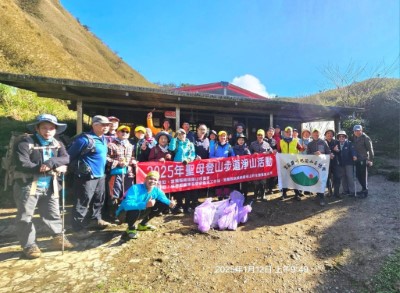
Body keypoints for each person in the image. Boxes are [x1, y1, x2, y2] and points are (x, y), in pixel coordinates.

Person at [13, 114, 73, 259]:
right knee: (25, 216)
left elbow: (66, 158)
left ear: (55, 130)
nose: (48, 131)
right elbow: (23, 164)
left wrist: (53, 162)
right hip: (27, 185)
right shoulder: (25, 143)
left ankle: (58, 238)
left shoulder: (57, 143)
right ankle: (29, 246)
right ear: (37, 128)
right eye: (44, 128)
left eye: (51, 128)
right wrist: (48, 167)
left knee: (52, 213)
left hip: (50, 185)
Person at [68, 115, 113, 238]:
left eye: (107, 125)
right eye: (103, 125)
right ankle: (77, 228)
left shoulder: (103, 139)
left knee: (99, 199)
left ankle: (95, 219)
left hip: (100, 175)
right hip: (86, 176)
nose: (106, 127)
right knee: (82, 201)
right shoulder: (84, 139)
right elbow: (69, 156)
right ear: (94, 125)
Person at [116, 171, 177, 240]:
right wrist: (145, 204)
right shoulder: (135, 188)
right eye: (150, 178)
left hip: (141, 211)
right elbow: (127, 205)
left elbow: (164, 199)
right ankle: (131, 228)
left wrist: (170, 203)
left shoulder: (156, 190)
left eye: (155, 180)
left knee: (163, 203)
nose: (152, 181)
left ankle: (142, 225)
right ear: (145, 179)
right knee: (135, 208)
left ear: (157, 182)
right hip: (124, 214)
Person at [105, 125, 135, 222]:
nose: (124, 133)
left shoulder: (130, 146)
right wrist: (117, 162)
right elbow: (105, 158)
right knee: (114, 194)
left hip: (128, 174)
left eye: (127, 132)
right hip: (115, 173)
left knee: (126, 194)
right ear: (117, 132)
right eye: (122, 131)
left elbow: (132, 158)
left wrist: (133, 162)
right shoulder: (111, 145)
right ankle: (113, 215)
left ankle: (123, 214)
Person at [169, 128, 196, 213]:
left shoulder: (190, 144)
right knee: (178, 187)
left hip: (187, 166)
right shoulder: (176, 143)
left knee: (187, 187)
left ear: (186, 134)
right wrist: (174, 138)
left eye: (183, 134)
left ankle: (187, 206)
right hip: (177, 167)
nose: (181, 136)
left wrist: (188, 159)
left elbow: (193, 154)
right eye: (180, 134)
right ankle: (179, 205)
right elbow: (171, 148)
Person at [307, 129, 331, 206]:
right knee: (315, 179)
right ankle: (318, 194)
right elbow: (307, 155)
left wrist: (331, 155)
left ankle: (321, 197)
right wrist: (314, 153)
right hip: (314, 165)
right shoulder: (310, 144)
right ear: (312, 135)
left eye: (317, 134)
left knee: (322, 180)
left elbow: (328, 152)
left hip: (322, 165)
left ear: (319, 134)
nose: (316, 135)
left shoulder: (323, 142)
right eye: (314, 134)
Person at [279, 126, 304, 201]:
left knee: (295, 178)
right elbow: (278, 151)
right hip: (284, 163)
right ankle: (283, 194)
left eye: (290, 132)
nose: (289, 133)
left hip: (294, 163)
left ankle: (296, 194)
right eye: (287, 132)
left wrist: (304, 147)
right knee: (285, 178)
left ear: (292, 133)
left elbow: (301, 149)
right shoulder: (281, 141)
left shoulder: (296, 141)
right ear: (285, 133)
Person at [210, 130, 235, 200]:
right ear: (218, 137)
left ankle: (226, 194)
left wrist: (229, 159)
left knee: (226, 180)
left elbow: (233, 156)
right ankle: (219, 195)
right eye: (221, 136)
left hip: (227, 166)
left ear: (226, 137)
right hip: (217, 166)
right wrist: (218, 159)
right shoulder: (215, 146)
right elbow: (211, 156)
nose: (222, 137)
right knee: (218, 181)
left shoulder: (229, 146)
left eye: (224, 136)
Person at [249, 129, 273, 200]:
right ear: (256, 136)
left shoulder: (267, 144)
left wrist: (268, 152)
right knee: (256, 181)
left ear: (264, 136)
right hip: (255, 166)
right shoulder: (252, 144)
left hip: (263, 166)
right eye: (258, 135)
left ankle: (263, 195)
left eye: (261, 135)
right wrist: (253, 154)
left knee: (263, 181)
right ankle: (255, 195)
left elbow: (271, 151)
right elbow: (248, 153)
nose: (260, 136)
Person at [352, 125, 374, 198]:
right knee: (358, 175)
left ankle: (365, 192)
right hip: (357, 159)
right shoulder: (355, 137)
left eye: (359, 130)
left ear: (362, 130)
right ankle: (363, 189)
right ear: (354, 132)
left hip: (364, 159)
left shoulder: (366, 138)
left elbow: (370, 150)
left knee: (364, 176)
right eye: (355, 131)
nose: (357, 132)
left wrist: (370, 160)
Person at [334, 131, 357, 197]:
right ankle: (345, 190)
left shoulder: (349, 143)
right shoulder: (336, 143)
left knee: (350, 177)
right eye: (340, 136)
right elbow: (336, 152)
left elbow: (353, 150)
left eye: (343, 136)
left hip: (348, 163)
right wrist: (336, 151)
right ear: (338, 137)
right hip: (341, 163)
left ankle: (352, 191)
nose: (341, 137)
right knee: (343, 177)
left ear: (345, 137)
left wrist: (354, 155)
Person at [233, 134, 251, 199]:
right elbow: (230, 156)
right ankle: (237, 196)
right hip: (236, 168)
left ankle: (245, 195)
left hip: (244, 169)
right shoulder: (233, 148)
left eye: (242, 140)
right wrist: (234, 157)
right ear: (237, 141)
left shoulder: (246, 148)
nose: (241, 141)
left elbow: (250, 157)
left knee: (244, 183)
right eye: (239, 140)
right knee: (236, 182)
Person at [264, 127, 278, 195]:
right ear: (267, 132)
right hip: (264, 160)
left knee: (272, 174)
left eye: (272, 131)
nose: (270, 132)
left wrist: (276, 150)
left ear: (273, 133)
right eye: (269, 131)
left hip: (272, 160)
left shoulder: (274, 141)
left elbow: (276, 149)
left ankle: (270, 188)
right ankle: (265, 188)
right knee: (265, 174)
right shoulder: (264, 139)